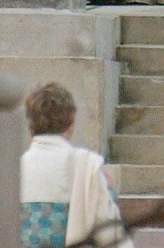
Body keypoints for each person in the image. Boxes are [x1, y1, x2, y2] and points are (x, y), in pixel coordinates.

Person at [20, 82, 127, 248]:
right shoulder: (86, 167)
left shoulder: (11, 169)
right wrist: (110, 192)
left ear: (30, 124)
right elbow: (110, 235)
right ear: (71, 123)